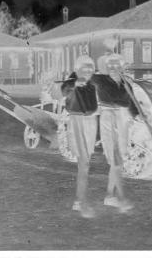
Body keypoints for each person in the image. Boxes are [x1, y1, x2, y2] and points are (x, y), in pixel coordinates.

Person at [91, 53, 139, 214]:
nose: (112, 67)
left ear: (122, 66)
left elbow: (132, 103)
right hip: (108, 120)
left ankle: (109, 196)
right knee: (116, 160)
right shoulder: (100, 80)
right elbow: (83, 77)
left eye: (115, 64)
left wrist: (137, 117)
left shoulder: (126, 83)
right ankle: (121, 197)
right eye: (109, 64)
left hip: (123, 120)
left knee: (118, 162)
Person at [61, 55, 99, 218]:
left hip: (91, 124)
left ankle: (78, 199)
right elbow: (63, 90)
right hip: (77, 122)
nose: (89, 70)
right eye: (85, 67)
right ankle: (83, 202)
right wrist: (75, 82)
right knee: (83, 163)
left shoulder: (93, 84)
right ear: (77, 69)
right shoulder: (72, 81)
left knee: (85, 163)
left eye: (91, 67)